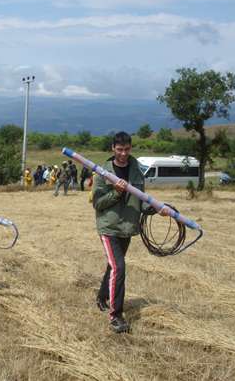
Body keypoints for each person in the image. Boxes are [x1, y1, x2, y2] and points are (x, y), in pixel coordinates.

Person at [91, 132, 169, 333]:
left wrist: (158, 209)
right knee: (119, 267)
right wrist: (116, 191)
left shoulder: (136, 171)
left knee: (113, 267)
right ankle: (116, 316)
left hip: (127, 227)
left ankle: (102, 296)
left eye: (126, 149)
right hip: (109, 227)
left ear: (130, 148)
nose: (123, 154)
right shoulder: (102, 172)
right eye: (119, 149)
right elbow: (98, 203)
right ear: (113, 149)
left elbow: (142, 202)